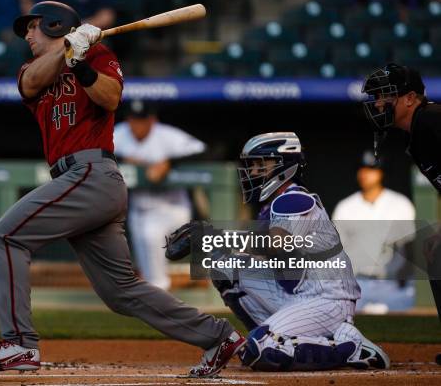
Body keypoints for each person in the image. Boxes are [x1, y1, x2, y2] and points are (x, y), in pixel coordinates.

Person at [0, 1, 244, 378]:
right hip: (75, 181)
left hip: (92, 173)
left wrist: (80, 62)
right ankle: (218, 336)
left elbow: (110, 98)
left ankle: (18, 343)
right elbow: (31, 84)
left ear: (54, 24)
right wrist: (67, 51)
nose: (27, 35)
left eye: (32, 27)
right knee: (120, 292)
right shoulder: (33, 70)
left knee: (6, 237)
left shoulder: (97, 54)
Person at [167, 132, 390, 371]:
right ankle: (278, 335)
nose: (253, 172)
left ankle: (351, 347)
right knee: (226, 267)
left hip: (329, 301)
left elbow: (275, 244)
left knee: (261, 349)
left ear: (284, 166)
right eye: (252, 165)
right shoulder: (274, 206)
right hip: (301, 296)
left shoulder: (295, 199)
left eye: (261, 165)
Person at [361, 62, 441, 362]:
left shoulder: (430, 120)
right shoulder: (421, 128)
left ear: (409, 98)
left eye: (385, 95)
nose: (378, 103)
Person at [113, 100, 206, 290]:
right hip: (139, 210)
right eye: (133, 120)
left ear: (152, 120)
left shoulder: (167, 135)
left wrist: (169, 162)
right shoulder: (120, 133)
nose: (136, 125)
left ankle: (161, 296)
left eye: (141, 120)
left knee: (151, 241)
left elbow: (204, 151)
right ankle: (156, 297)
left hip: (171, 208)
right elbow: (93, 151)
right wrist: (123, 159)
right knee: (146, 267)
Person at [332, 150, 416, 314]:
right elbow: (335, 252)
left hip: (393, 285)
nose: (365, 173)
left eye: (371, 169)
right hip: (358, 283)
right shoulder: (345, 207)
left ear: (381, 172)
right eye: (362, 169)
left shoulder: (400, 204)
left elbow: (411, 248)